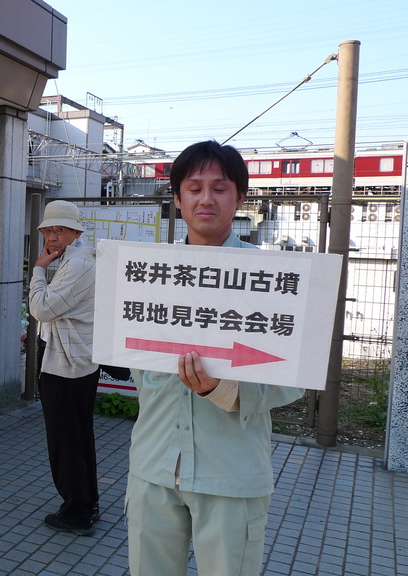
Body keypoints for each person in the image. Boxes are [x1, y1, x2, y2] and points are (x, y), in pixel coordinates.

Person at [126, 141, 304, 576]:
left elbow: (291, 379)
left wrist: (220, 388)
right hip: (154, 465)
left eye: (220, 188)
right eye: (194, 187)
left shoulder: (271, 280)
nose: (206, 198)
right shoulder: (147, 275)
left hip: (231, 474)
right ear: (178, 198)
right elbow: (134, 360)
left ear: (240, 198)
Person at [28, 200, 100, 536]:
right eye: (49, 229)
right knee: (79, 436)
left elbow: (42, 309)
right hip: (77, 361)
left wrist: (39, 269)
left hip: (66, 364)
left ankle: (76, 512)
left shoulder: (78, 264)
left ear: (76, 232)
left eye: (61, 230)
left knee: (65, 440)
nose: (53, 236)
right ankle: (87, 501)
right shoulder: (76, 259)